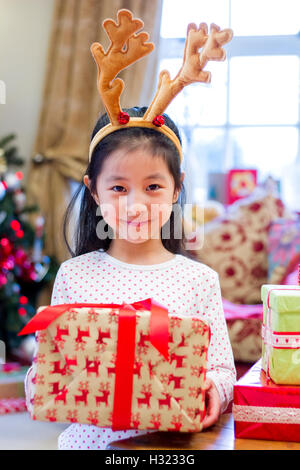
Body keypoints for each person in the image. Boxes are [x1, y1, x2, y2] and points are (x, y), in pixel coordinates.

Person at [24, 106, 236, 450]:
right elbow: (45, 366)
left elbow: (222, 371)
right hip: (86, 444)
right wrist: (42, 385)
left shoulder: (199, 279)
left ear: (177, 187)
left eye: (152, 186)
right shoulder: (74, 274)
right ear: (94, 191)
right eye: (119, 188)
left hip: (165, 447)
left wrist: (212, 390)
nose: (136, 205)